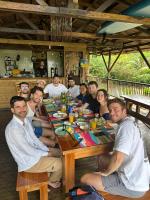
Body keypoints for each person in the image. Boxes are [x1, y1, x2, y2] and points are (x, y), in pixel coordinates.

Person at [81, 98, 150, 198]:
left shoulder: (125, 127)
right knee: (102, 157)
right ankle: (104, 180)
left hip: (132, 184)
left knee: (85, 178)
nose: (112, 113)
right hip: (138, 176)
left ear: (124, 111)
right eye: (110, 110)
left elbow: (118, 158)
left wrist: (106, 173)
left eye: (116, 109)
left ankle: (105, 182)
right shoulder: (129, 122)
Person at [5, 96, 62, 188]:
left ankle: (50, 175)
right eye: (18, 107)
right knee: (59, 163)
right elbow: (28, 151)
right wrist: (47, 153)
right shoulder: (14, 129)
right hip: (28, 162)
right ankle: (50, 183)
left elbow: (34, 139)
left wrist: (47, 150)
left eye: (24, 106)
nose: (22, 109)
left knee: (60, 152)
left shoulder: (25, 121)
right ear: (12, 110)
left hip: (35, 153)